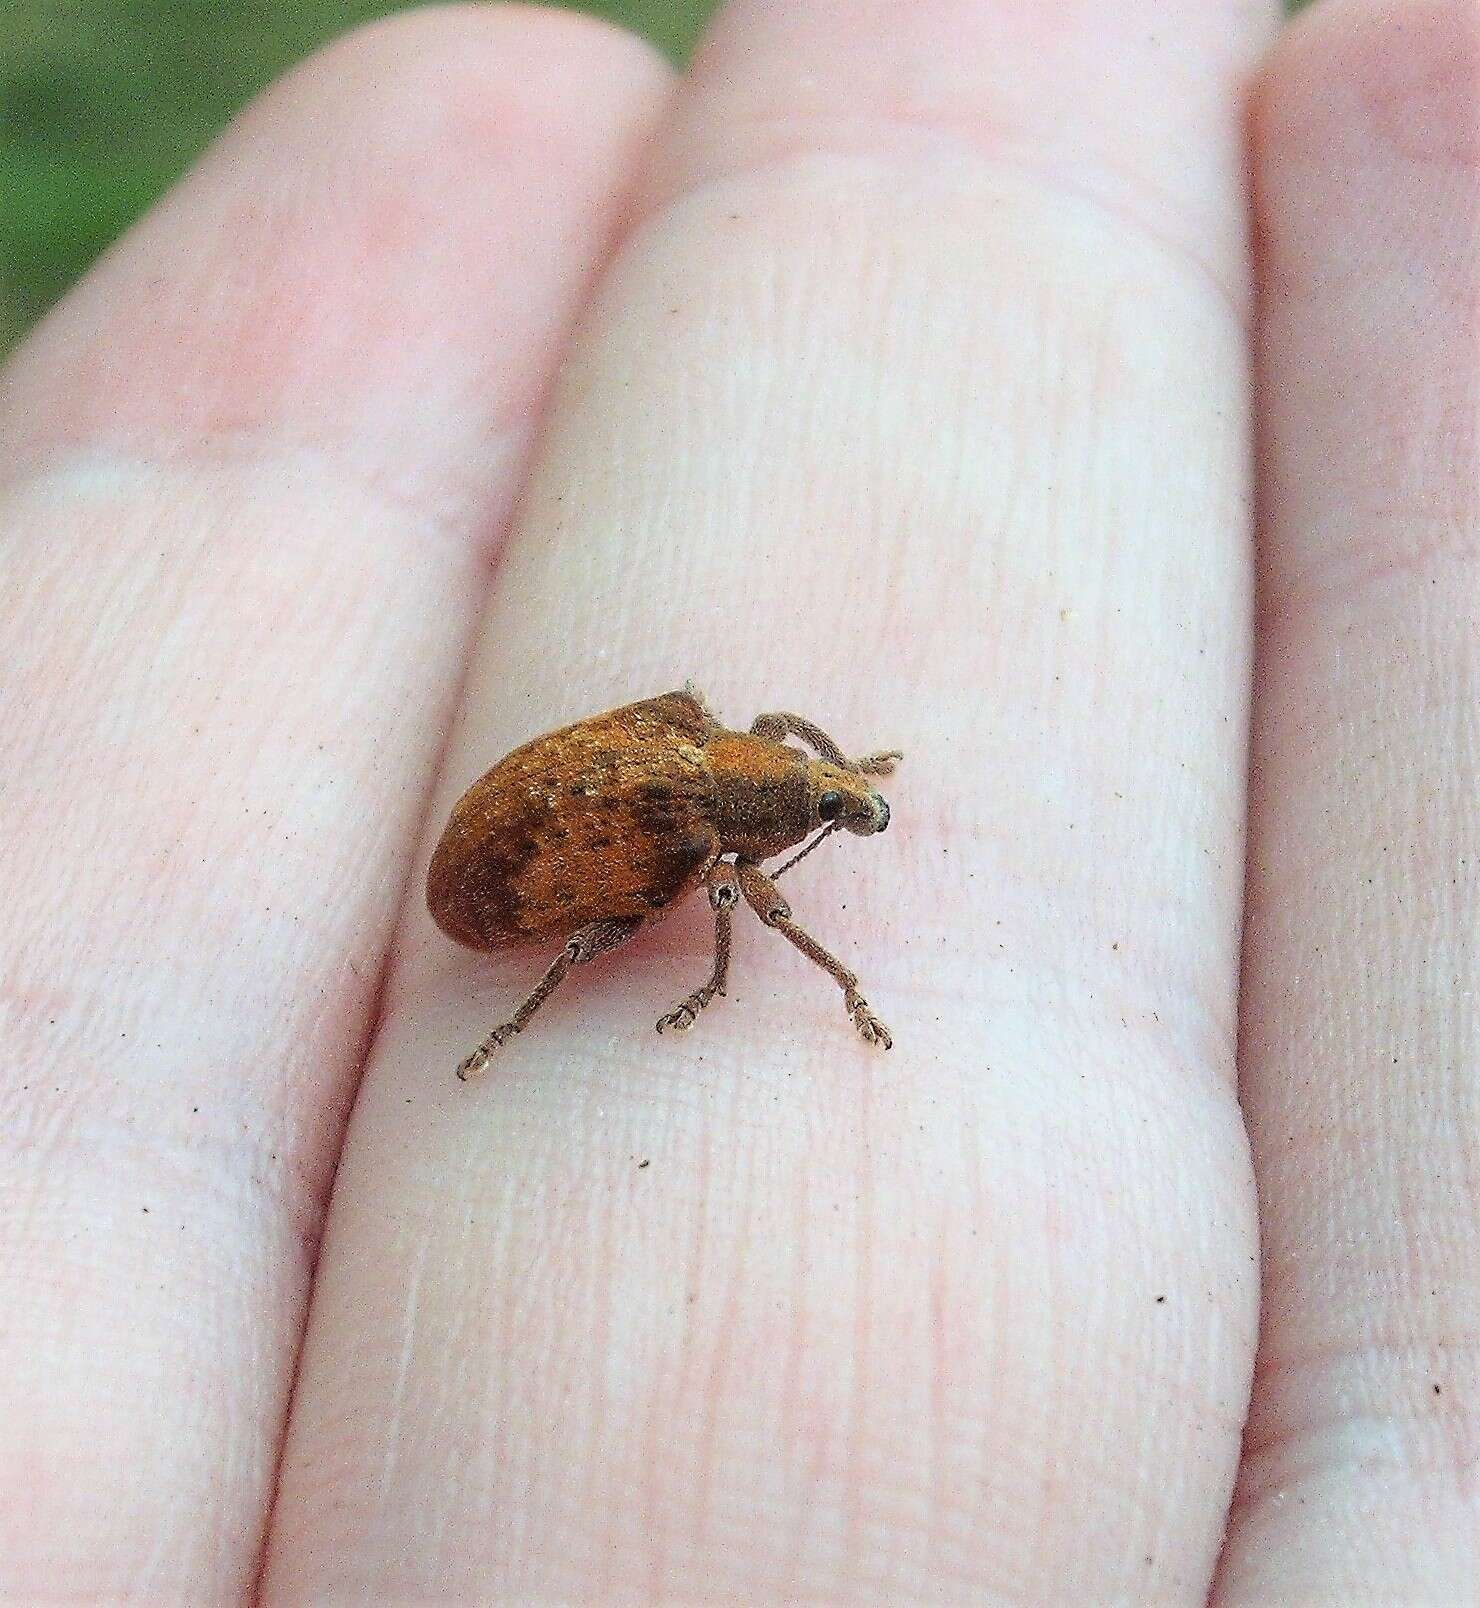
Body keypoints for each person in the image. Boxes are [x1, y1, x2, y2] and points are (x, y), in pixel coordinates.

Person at [0, 0, 1472, 1600]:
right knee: (612, 943)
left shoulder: (729, 754)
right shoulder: (697, 832)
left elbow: (781, 746)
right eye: (830, 804)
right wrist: (797, 980)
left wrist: (848, 777)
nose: (838, 807)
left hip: (609, 787)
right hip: (496, 884)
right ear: (774, 814)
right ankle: (514, 1029)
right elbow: (704, 923)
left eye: (826, 798)